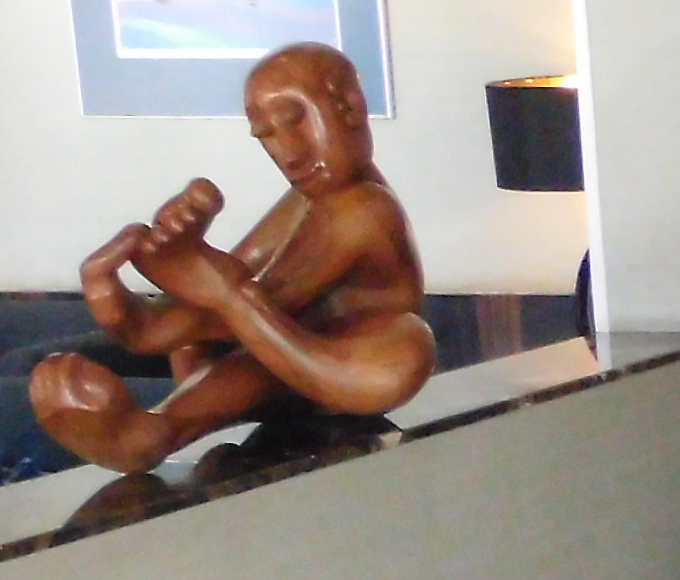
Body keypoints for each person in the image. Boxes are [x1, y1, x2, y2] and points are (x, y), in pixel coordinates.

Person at [30, 42, 436, 474]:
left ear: (350, 108)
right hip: (290, 359)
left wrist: (164, 306)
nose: (289, 154)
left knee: (405, 348)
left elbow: (255, 301)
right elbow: (237, 296)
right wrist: (160, 292)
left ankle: (155, 431)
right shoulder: (310, 199)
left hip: (345, 374)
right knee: (253, 321)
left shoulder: (364, 209)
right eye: (267, 136)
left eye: (295, 120)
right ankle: (153, 431)